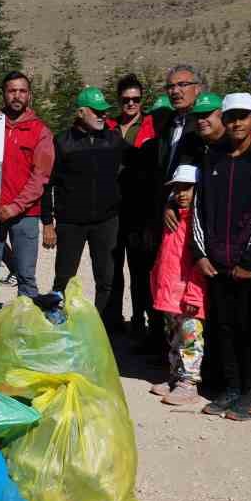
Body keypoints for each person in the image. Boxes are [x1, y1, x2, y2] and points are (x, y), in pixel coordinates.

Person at [192, 92, 251, 422]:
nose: (237, 122)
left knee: (249, 329)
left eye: (244, 116)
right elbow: (199, 206)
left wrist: (250, 259)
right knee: (223, 327)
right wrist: (200, 252)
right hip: (215, 260)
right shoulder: (212, 156)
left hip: (247, 264)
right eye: (231, 117)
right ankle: (230, 386)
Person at [43, 87, 126, 321]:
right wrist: (48, 222)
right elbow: (47, 184)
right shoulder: (62, 142)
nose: (102, 116)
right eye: (96, 111)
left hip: (106, 221)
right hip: (71, 223)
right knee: (64, 278)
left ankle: (100, 326)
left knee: (106, 279)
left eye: (105, 112)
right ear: (80, 112)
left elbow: (137, 168)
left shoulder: (113, 139)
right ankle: (55, 321)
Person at [0, 71, 54, 298]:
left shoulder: (41, 132)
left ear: (29, 96)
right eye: (11, 91)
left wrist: (14, 207)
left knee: (26, 276)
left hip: (25, 214)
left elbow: (41, 178)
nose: (16, 96)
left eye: (22, 91)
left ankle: (24, 325)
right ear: (4, 94)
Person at [149, 164, 206, 407]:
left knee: (191, 337)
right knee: (174, 337)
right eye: (177, 189)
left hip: (188, 294)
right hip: (169, 292)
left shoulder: (198, 222)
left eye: (188, 188)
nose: (182, 194)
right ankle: (175, 375)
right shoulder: (172, 218)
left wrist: (195, 295)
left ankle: (189, 382)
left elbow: (198, 262)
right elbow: (165, 256)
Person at [109, 74, 157, 338]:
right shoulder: (110, 126)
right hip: (112, 209)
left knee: (140, 272)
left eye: (136, 99)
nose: (131, 104)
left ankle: (141, 321)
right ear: (119, 100)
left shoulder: (152, 124)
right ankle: (114, 320)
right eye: (126, 99)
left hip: (140, 209)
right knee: (112, 270)